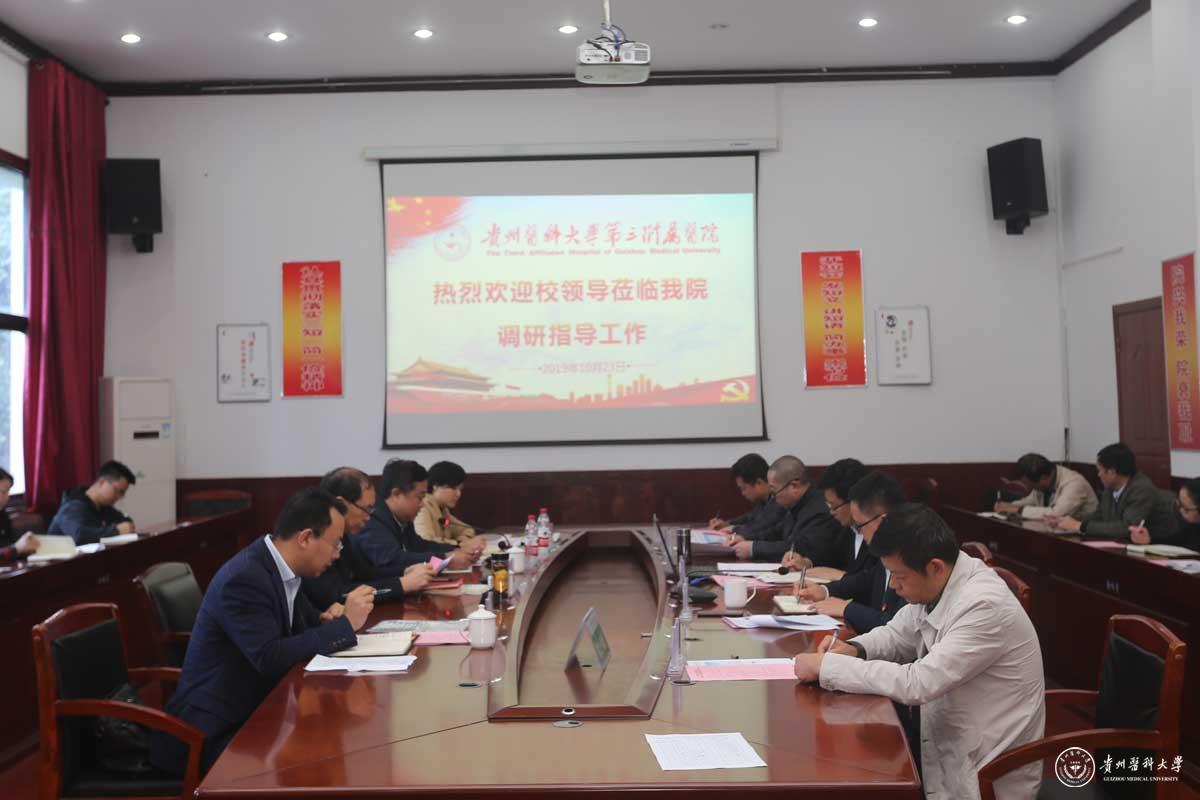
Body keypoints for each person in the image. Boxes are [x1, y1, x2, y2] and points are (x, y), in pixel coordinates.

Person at [793, 504, 1045, 800]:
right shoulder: (940, 583)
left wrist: (827, 667)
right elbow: (897, 634)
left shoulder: (983, 605)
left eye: (899, 576)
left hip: (987, 773)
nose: (893, 586)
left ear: (935, 567)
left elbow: (919, 682)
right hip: (945, 741)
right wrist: (854, 649)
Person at [149, 488, 374, 776]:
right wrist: (345, 626)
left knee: (328, 734)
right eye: (335, 544)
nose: (337, 554)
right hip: (218, 729)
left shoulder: (284, 569)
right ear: (305, 538)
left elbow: (303, 628)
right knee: (315, 757)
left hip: (264, 705)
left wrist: (329, 620)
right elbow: (269, 656)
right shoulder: (245, 579)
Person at [302, 467, 435, 614]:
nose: (369, 517)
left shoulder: (345, 535)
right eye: (366, 509)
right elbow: (335, 595)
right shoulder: (315, 536)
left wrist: (404, 572)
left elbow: (365, 574)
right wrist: (402, 584)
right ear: (341, 505)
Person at [794, 472, 906, 633]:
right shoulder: (888, 551)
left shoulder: (912, 555)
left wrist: (847, 608)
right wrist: (824, 591)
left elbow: (896, 627)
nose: (858, 532)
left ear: (883, 521)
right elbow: (868, 580)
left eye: (859, 526)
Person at [354, 459, 482, 575]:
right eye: (419, 497)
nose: (422, 505)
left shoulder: (402, 516)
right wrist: (445, 559)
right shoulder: (372, 518)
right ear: (396, 494)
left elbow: (420, 546)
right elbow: (392, 559)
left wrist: (458, 550)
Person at [1045, 443, 1174, 541]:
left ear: (1111, 472)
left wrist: (1079, 526)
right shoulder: (1111, 488)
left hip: (1159, 547)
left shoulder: (1141, 489)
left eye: (1100, 470)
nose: (1098, 474)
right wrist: (1066, 521)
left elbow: (1127, 528)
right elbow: (1099, 516)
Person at [732, 456, 841, 566]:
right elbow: (777, 531)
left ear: (794, 486)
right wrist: (746, 539)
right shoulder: (795, 504)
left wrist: (754, 548)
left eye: (774, 493)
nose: (773, 499)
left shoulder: (820, 509)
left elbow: (801, 548)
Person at [47, 460, 137, 545]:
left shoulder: (104, 507)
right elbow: (79, 536)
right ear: (102, 482)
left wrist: (126, 526)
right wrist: (116, 531)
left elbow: (126, 522)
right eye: (118, 491)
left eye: (122, 493)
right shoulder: (73, 506)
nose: (119, 497)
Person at [994, 453, 1098, 520]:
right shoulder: (1042, 480)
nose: (1028, 487)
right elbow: (1029, 502)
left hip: (1086, 538)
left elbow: (1056, 514)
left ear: (1043, 478)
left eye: (1030, 484)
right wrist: (1008, 506)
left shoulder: (1074, 483)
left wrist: (1017, 510)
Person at [810, 458, 869, 573]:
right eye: (828, 505)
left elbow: (871, 578)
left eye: (834, 506)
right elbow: (829, 559)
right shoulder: (844, 530)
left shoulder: (879, 535)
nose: (831, 512)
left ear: (854, 501)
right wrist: (807, 563)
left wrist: (840, 576)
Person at [709, 453, 786, 540]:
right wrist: (727, 524)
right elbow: (749, 517)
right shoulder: (764, 499)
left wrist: (733, 529)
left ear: (759, 482)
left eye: (743, 488)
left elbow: (760, 526)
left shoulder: (780, 499)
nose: (743, 493)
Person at [414, 461, 481, 547]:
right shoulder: (422, 507)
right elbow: (426, 541)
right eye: (453, 488)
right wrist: (459, 544)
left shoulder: (443, 510)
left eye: (460, 489)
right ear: (435, 486)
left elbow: (467, 529)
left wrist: (463, 539)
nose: (458, 494)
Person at [1130, 476, 1200, 549]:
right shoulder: (1190, 525)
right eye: (1178, 503)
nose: (1180, 510)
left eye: (1186, 509)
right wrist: (1148, 541)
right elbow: (1174, 541)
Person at [0, 468, 38, 563]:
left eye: (8, 492)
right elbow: (13, 549)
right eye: (3, 492)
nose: (7, 497)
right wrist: (16, 548)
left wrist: (25, 548)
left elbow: (7, 546)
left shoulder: (2, 515)